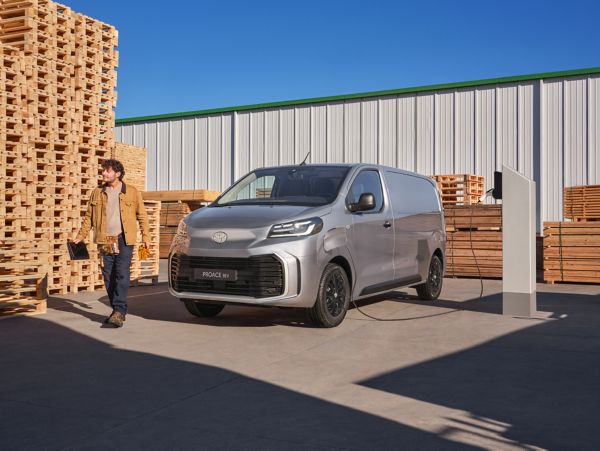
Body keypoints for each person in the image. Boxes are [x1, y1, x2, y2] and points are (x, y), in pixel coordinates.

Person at [74, 159, 150, 327]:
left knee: (122, 274)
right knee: (108, 275)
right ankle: (117, 309)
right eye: (103, 171)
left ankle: (119, 311)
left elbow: (142, 216)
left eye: (107, 171)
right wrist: (80, 236)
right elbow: (89, 217)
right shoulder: (97, 192)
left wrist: (146, 237)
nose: (103, 173)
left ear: (117, 174)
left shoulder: (131, 192)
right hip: (105, 239)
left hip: (124, 238)